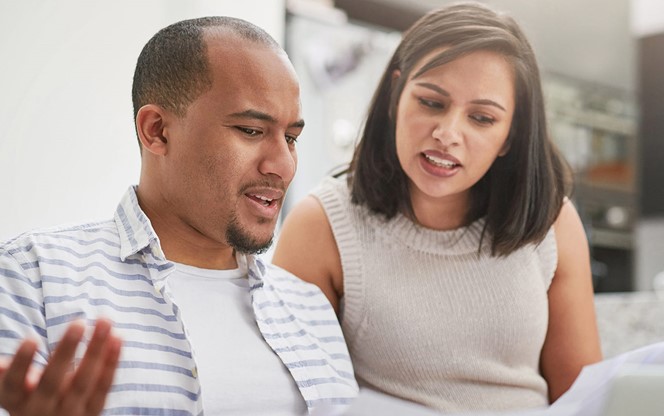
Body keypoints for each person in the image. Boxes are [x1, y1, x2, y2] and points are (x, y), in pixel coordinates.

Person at [0, 16, 357, 415]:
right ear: (157, 131)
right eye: (251, 131)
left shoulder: (310, 310)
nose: (283, 165)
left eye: (291, 138)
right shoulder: (30, 278)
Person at [273, 2, 602, 413]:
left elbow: (585, 400)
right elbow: (293, 401)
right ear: (396, 94)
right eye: (431, 102)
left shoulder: (552, 223)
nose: (447, 134)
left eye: (481, 118)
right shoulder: (322, 225)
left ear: (511, 136)